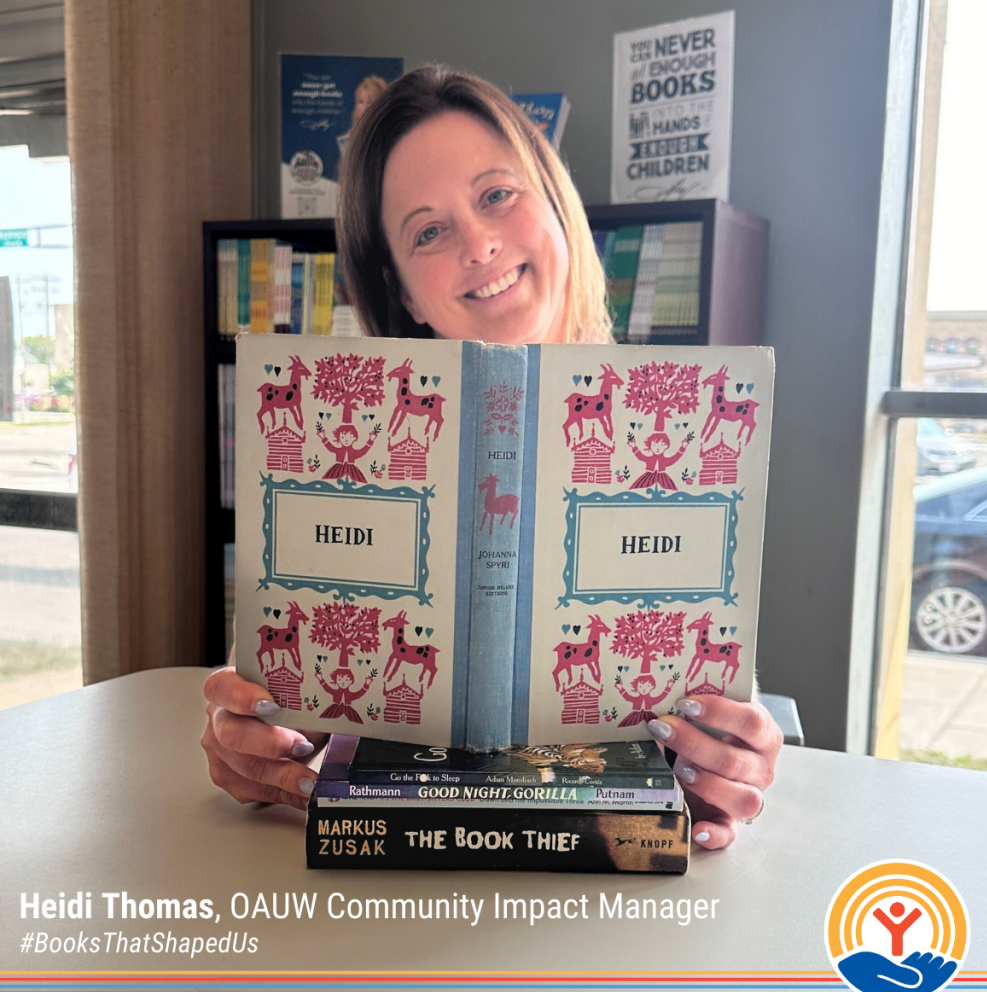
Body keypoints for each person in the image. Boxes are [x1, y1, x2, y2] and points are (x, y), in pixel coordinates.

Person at [202, 65, 783, 847]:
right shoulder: (337, 449)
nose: (479, 243)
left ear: (553, 202)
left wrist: (737, 759)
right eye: (429, 232)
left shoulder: (693, 428)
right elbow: (288, 716)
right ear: (404, 293)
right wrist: (257, 739)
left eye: (497, 194)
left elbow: (727, 718)